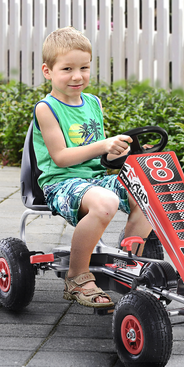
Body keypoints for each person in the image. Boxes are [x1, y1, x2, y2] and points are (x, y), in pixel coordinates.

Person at [33, 26, 152, 308]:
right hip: (61, 183)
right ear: (47, 71)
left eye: (84, 67)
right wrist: (102, 145)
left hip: (95, 180)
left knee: (151, 189)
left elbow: (100, 155)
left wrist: (125, 151)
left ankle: (129, 261)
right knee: (106, 202)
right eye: (67, 69)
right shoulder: (46, 108)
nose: (77, 76)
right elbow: (60, 157)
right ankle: (76, 277)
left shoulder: (93, 103)